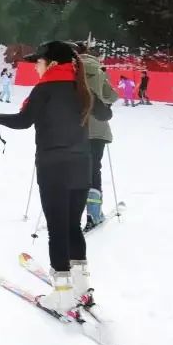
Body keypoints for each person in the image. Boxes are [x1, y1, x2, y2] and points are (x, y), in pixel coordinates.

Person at [0, 41, 94, 315]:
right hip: (82, 166)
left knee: (57, 229)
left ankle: (62, 295)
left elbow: (24, 120)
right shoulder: (80, 87)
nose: (36, 65)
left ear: (52, 64)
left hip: (54, 168)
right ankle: (81, 286)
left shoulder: (45, 88)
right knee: (72, 226)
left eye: (39, 61)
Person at [75, 44, 118, 231]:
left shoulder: (69, 69)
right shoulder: (99, 71)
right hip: (98, 128)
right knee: (94, 171)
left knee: (75, 170)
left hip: (74, 128)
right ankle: (93, 213)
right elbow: (112, 96)